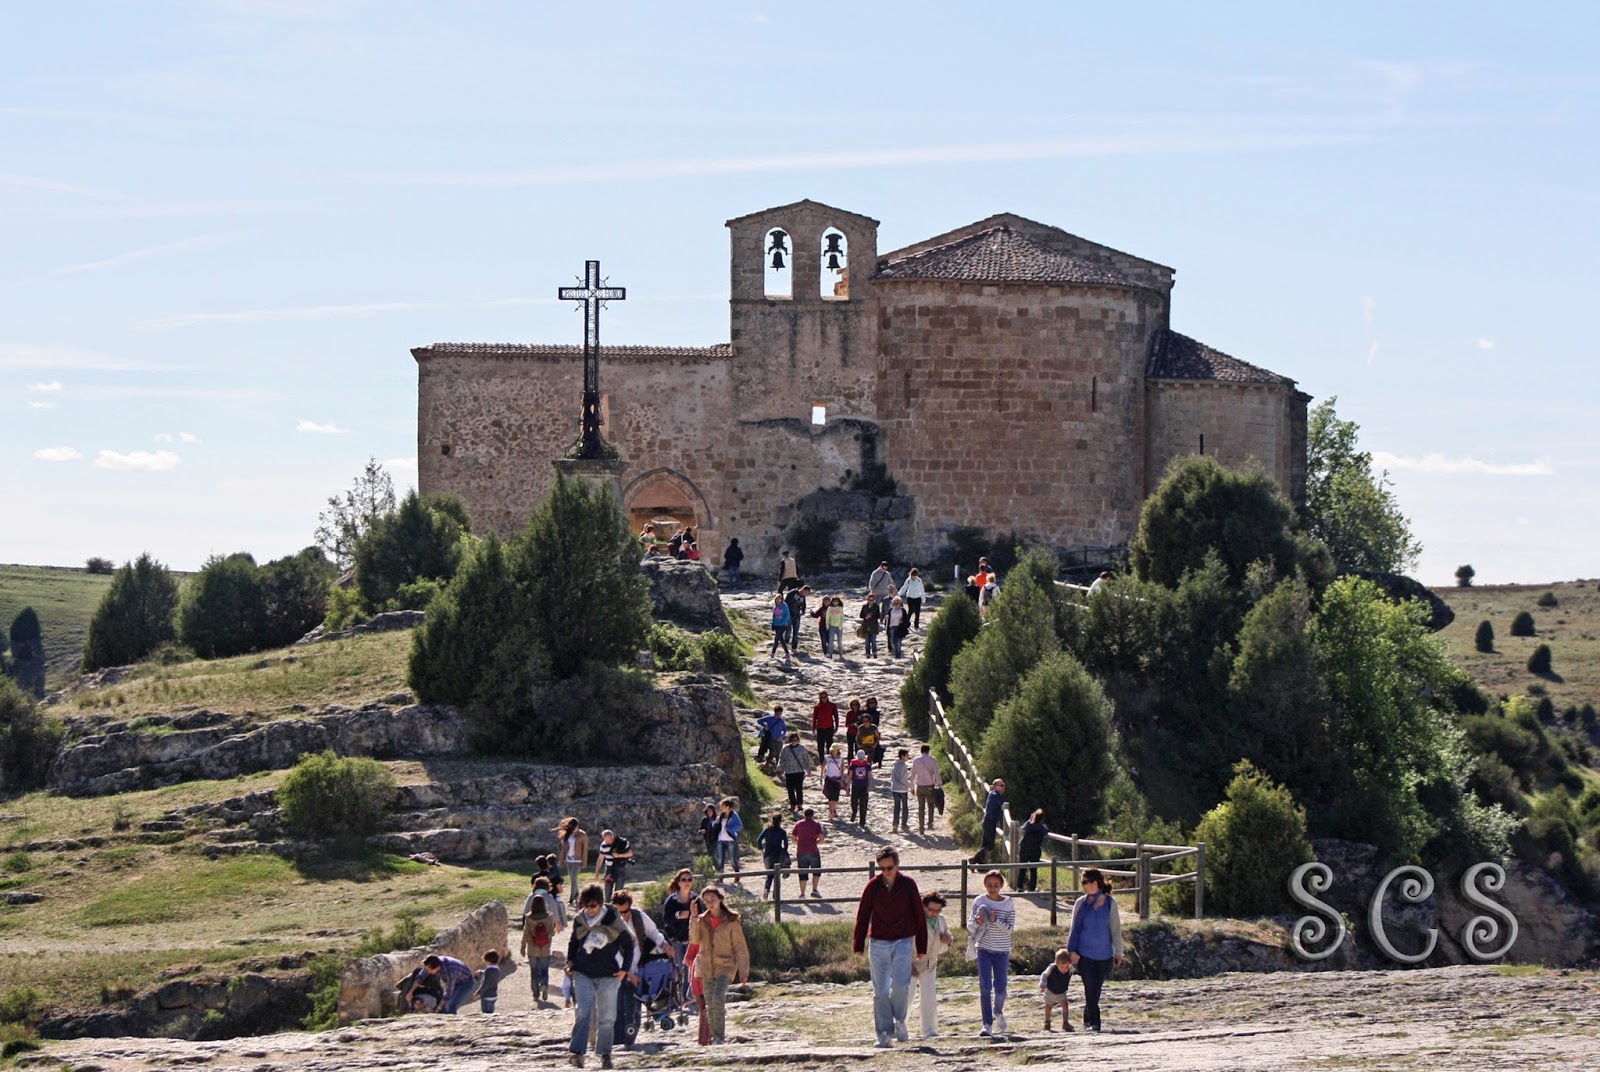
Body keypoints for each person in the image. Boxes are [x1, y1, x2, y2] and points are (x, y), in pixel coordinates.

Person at [853, 848, 927, 1048]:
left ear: (897, 864)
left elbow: (919, 916)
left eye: (890, 867)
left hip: (903, 942)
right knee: (880, 990)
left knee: (901, 985)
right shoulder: (873, 887)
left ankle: (900, 1020)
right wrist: (858, 944)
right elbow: (863, 915)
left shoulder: (908, 885)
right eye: (882, 868)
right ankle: (884, 1032)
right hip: (878, 943)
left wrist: (921, 946)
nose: (886, 871)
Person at [565, 883, 636, 1069]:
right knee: (583, 1012)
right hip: (583, 973)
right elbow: (573, 942)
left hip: (609, 974)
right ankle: (577, 1052)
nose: (590, 910)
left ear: (601, 903)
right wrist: (570, 962)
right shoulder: (580, 920)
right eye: (586, 905)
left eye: (593, 905)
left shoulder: (613, 918)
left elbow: (629, 944)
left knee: (607, 1017)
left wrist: (625, 969)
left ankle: (605, 1054)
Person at [1066, 868, 1125, 1033]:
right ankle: (1095, 1023)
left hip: (1105, 955)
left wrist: (1119, 952)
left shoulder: (1110, 903)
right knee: (1090, 987)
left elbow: (1115, 930)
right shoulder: (1080, 903)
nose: (1083, 885)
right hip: (1085, 955)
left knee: (1095, 990)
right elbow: (1074, 929)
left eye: (1085, 882)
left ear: (1095, 883)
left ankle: (1087, 1017)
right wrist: (1072, 951)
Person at [690, 885, 750, 1044]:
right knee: (710, 1002)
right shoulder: (701, 920)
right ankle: (715, 1037)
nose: (710, 903)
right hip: (706, 966)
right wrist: (694, 918)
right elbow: (695, 940)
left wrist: (743, 971)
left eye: (713, 899)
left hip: (726, 965)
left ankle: (719, 1037)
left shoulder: (731, 920)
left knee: (718, 997)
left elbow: (740, 947)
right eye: (707, 900)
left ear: (721, 899)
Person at [612, 890, 665, 1050]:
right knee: (619, 1008)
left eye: (625, 911)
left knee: (634, 1007)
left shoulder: (638, 917)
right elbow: (613, 952)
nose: (623, 916)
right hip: (618, 972)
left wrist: (664, 945)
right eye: (619, 912)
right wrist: (628, 973)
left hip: (638, 967)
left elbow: (654, 933)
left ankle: (628, 1042)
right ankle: (619, 1043)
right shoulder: (610, 924)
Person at [969, 869, 1017, 1037]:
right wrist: (978, 921)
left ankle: (998, 1011)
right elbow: (971, 927)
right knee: (984, 986)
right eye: (989, 885)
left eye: (996, 885)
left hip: (1002, 950)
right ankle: (987, 1024)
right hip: (983, 948)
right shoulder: (979, 901)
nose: (992, 888)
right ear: (985, 885)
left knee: (1001, 987)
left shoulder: (1008, 903)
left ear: (1001, 886)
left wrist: (995, 921)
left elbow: (1010, 930)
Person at [911, 892, 953, 1038]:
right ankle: (898, 1026)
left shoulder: (941, 920)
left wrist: (948, 940)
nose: (934, 913)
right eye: (931, 910)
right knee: (906, 997)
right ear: (924, 907)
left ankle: (929, 1030)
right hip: (912, 964)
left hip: (931, 963)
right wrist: (908, 965)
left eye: (937, 910)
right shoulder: (915, 919)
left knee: (929, 997)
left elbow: (948, 936)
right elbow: (905, 942)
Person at [521, 878, 559, 1002]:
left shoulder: (528, 918)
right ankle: (544, 985)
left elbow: (526, 933)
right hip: (545, 948)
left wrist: (522, 947)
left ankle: (536, 993)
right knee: (544, 970)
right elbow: (552, 933)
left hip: (532, 949)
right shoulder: (549, 917)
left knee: (533, 971)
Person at [555, 818, 589, 906]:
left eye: (575, 828)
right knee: (572, 879)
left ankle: (571, 899)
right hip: (569, 859)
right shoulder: (567, 834)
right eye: (573, 828)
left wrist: (584, 863)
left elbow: (585, 849)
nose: (574, 830)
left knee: (573, 878)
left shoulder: (582, 835)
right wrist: (561, 861)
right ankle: (577, 895)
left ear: (578, 826)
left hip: (578, 860)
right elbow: (564, 849)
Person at [777, 731, 814, 812]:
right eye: (792, 740)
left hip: (799, 772)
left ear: (798, 740)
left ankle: (800, 804)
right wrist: (780, 767)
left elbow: (806, 760)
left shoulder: (802, 748)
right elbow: (781, 759)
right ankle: (792, 804)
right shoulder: (785, 748)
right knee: (790, 789)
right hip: (789, 772)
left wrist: (808, 770)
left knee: (799, 789)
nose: (794, 742)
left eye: (795, 740)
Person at [755, 812, 789, 899]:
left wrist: (761, 850)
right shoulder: (782, 832)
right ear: (780, 821)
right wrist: (784, 852)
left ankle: (766, 889)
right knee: (777, 874)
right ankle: (776, 894)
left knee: (769, 874)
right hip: (778, 853)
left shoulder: (767, 830)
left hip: (768, 854)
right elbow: (786, 845)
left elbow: (759, 840)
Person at [1039, 949, 1074, 1032]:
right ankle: (1047, 1021)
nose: (1065, 969)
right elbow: (1044, 974)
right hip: (1050, 991)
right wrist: (1042, 982)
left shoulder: (1070, 969)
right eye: (1062, 967)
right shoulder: (1052, 968)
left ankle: (1065, 1022)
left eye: (1066, 967)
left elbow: (1076, 966)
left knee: (1065, 1006)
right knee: (1048, 1007)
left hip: (1062, 992)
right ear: (1057, 964)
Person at [792, 807, 825, 897]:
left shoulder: (798, 824)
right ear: (812, 815)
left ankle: (802, 894)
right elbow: (821, 838)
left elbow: (793, 838)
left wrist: (799, 843)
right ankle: (814, 890)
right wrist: (815, 843)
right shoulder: (816, 824)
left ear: (804, 814)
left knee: (802, 873)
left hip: (801, 851)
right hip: (813, 850)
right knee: (816, 871)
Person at [912, 744, 942, 835]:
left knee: (921, 807)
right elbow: (936, 773)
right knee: (930, 805)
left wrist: (912, 786)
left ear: (921, 751)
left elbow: (913, 774)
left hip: (920, 786)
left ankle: (921, 828)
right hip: (929, 786)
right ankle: (930, 823)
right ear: (928, 751)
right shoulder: (932, 760)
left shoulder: (916, 760)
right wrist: (939, 783)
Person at [596, 828, 634, 900]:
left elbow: (630, 853)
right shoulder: (604, 845)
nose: (607, 842)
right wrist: (597, 871)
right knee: (607, 890)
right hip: (609, 869)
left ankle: (617, 907)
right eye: (606, 840)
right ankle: (607, 905)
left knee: (619, 890)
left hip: (620, 868)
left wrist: (619, 855)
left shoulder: (622, 843)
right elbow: (600, 858)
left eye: (609, 840)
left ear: (612, 836)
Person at [1018, 809, 1049, 892]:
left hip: (1024, 849)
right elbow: (1046, 831)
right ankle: (1032, 887)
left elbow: (1022, 828)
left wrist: (1030, 819)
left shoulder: (1029, 824)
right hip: (1035, 850)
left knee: (1022, 868)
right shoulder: (1041, 827)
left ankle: (1019, 887)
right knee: (1033, 870)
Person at [716, 796, 744, 881]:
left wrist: (729, 828)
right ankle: (720, 877)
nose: (720, 808)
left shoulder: (734, 815)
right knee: (720, 859)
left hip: (730, 840)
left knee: (733, 859)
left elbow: (739, 826)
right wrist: (716, 822)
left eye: (722, 806)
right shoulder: (721, 815)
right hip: (721, 840)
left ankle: (737, 874)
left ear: (727, 807)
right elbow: (717, 826)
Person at [979, 779, 1006, 864]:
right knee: (989, 845)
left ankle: (980, 863)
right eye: (1001, 785)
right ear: (996, 787)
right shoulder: (995, 795)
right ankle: (975, 859)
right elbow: (1002, 804)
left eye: (1003, 785)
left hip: (989, 822)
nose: (1003, 787)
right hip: (989, 822)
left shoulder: (994, 794)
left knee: (985, 844)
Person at [848, 748, 873, 827]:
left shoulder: (867, 765)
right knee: (854, 802)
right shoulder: (853, 764)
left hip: (864, 787)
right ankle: (854, 813)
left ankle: (862, 821)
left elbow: (869, 776)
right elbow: (850, 775)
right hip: (855, 786)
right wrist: (847, 786)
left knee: (863, 804)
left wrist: (869, 786)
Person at [889, 748, 912, 833]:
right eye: (907, 755)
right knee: (904, 807)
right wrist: (910, 786)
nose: (908, 757)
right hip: (902, 789)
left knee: (897, 807)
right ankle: (904, 824)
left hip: (894, 788)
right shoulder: (903, 766)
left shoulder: (895, 764)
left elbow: (892, 776)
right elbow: (903, 779)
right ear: (902, 756)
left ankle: (895, 824)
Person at [811, 690, 838, 759]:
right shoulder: (817, 707)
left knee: (830, 746)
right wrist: (813, 729)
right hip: (820, 729)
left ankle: (830, 761)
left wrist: (836, 727)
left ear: (827, 697)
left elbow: (836, 717)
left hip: (829, 728)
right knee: (820, 747)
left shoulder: (832, 706)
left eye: (824, 697)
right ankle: (822, 762)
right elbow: (814, 718)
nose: (823, 699)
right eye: (822, 697)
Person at [821, 745, 845, 820]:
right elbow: (823, 766)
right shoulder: (827, 758)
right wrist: (821, 776)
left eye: (834, 750)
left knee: (836, 796)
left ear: (837, 750)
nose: (832, 752)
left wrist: (841, 779)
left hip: (837, 779)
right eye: (832, 750)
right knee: (831, 796)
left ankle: (834, 808)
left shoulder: (841, 759)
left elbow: (842, 769)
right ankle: (831, 811)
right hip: (829, 779)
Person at [784, 584, 809, 652]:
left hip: (797, 615)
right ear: (803, 589)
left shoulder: (803, 597)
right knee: (788, 630)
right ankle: (785, 644)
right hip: (789, 614)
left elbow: (804, 606)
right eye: (806, 593)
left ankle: (794, 648)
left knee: (796, 632)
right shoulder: (792, 592)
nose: (806, 595)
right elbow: (785, 602)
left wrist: (802, 612)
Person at [477, 949, 501, 1014]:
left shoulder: (488, 970)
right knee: (491, 1013)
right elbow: (491, 976)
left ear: (488, 961)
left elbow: (485, 984)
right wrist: (482, 972)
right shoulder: (497, 969)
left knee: (485, 1013)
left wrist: (478, 993)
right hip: (493, 995)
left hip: (486, 995)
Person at [769, 595, 792, 663]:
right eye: (777, 599)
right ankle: (787, 653)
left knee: (776, 638)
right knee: (781, 639)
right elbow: (774, 616)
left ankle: (773, 653)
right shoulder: (775, 607)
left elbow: (787, 615)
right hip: (777, 625)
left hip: (783, 625)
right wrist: (773, 624)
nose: (778, 601)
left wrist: (783, 622)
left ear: (782, 600)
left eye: (780, 599)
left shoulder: (784, 606)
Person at [859, 593, 882, 659]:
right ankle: (867, 654)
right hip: (866, 625)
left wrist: (871, 616)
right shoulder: (864, 606)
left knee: (873, 641)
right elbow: (861, 615)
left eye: (872, 600)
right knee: (867, 641)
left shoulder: (876, 606)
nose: (871, 601)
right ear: (868, 600)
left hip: (873, 625)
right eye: (870, 600)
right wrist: (866, 616)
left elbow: (878, 616)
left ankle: (875, 653)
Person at [825, 596, 845, 660]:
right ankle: (830, 653)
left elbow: (842, 618)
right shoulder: (830, 608)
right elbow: (827, 617)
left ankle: (841, 654)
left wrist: (840, 626)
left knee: (839, 640)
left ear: (838, 602)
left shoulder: (840, 608)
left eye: (836, 601)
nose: (835, 603)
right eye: (834, 601)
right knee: (831, 640)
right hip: (832, 626)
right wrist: (827, 625)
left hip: (839, 626)